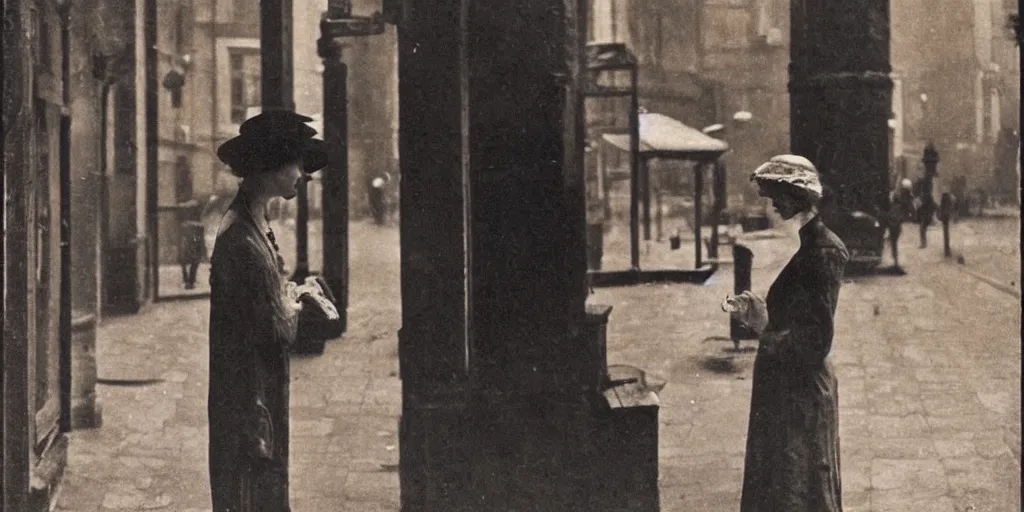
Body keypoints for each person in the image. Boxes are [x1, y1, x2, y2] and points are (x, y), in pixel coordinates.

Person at [208, 109, 328, 512]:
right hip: (248, 395)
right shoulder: (242, 238)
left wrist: (288, 295)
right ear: (273, 165)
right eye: (296, 163)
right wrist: (300, 306)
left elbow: (264, 299)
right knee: (252, 489)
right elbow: (274, 329)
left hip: (254, 388)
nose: (303, 174)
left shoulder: (252, 219)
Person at [724, 154, 850, 511]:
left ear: (799, 194)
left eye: (779, 193)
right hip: (790, 392)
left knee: (795, 492)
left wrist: (765, 327)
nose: (774, 202)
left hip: (801, 397)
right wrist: (761, 315)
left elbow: (815, 342)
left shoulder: (823, 252)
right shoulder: (811, 245)